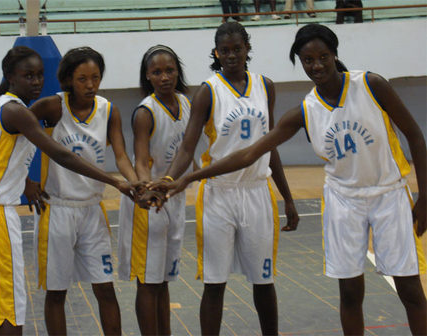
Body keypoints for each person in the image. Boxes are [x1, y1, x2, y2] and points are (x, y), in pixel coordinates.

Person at [157, 24, 427, 336]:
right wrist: (185, 178)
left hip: (388, 194)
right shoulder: (305, 111)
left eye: (323, 57)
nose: (317, 65)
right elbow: (249, 154)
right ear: (300, 62)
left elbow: (416, 137)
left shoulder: (370, 84)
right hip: (342, 202)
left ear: (334, 54)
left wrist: (425, 197)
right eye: (308, 60)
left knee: (408, 288)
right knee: (350, 293)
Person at [0, 46, 133, 335]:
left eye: (39, 75)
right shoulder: (17, 111)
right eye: (28, 76)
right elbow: (62, 155)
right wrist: (116, 181)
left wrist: (19, 181)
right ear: (10, 77)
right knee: (8, 309)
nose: (36, 81)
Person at [150, 22, 299, 335]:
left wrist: (287, 198)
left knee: (264, 280)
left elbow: (271, 147)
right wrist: (168, 179)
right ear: (216, 53)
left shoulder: (265, 85)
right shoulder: (208, 91)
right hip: (219, 194)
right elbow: (188, 146)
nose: (231, 55)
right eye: (225, 50)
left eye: (237, 49)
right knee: (214, 283)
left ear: (247, 48)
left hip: (258, 192)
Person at [26, 47, 138, 336]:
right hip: (57, 209)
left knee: (105, 289)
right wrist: (25, 180)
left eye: (96, 77)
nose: (90, 85)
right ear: (68, 80)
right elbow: (13, 133)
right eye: (82, 79)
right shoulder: (52, 106)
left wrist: (134, 181)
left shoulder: (108, 109)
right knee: (56, 293)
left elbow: (122, 156)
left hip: (92, 210)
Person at [116, 45, 191, 336]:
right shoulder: (145, 112)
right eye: (157, 72)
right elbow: (141, 159)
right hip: (150, 202)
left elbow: (189, 152)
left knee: (163, 280)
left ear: (177, 72)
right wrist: (149, 188)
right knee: (148, 282)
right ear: (147, 76)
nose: (164, 77)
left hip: (174, 198)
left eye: (169, 70)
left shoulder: (186, 103)